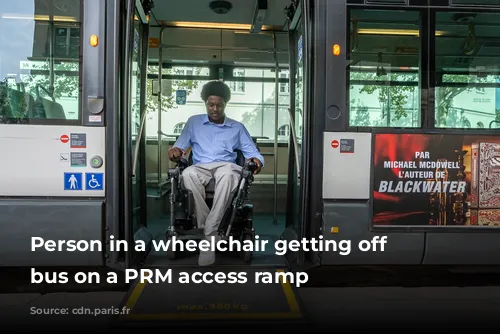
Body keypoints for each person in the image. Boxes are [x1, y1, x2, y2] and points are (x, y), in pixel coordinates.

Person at [167, 80, 264, 266]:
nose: (214, 109)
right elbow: (179, 147)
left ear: (225, 104)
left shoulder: (237, 127)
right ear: (205, 103)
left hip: (225, 167)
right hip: (201, 167)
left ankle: (207, 234)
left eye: (219, 105)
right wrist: (174, 151)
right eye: (211, 104)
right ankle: (210, 233)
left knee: (228, 173)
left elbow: (253, 153)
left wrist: (257, 160)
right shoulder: (193, 123)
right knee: (187, 174)